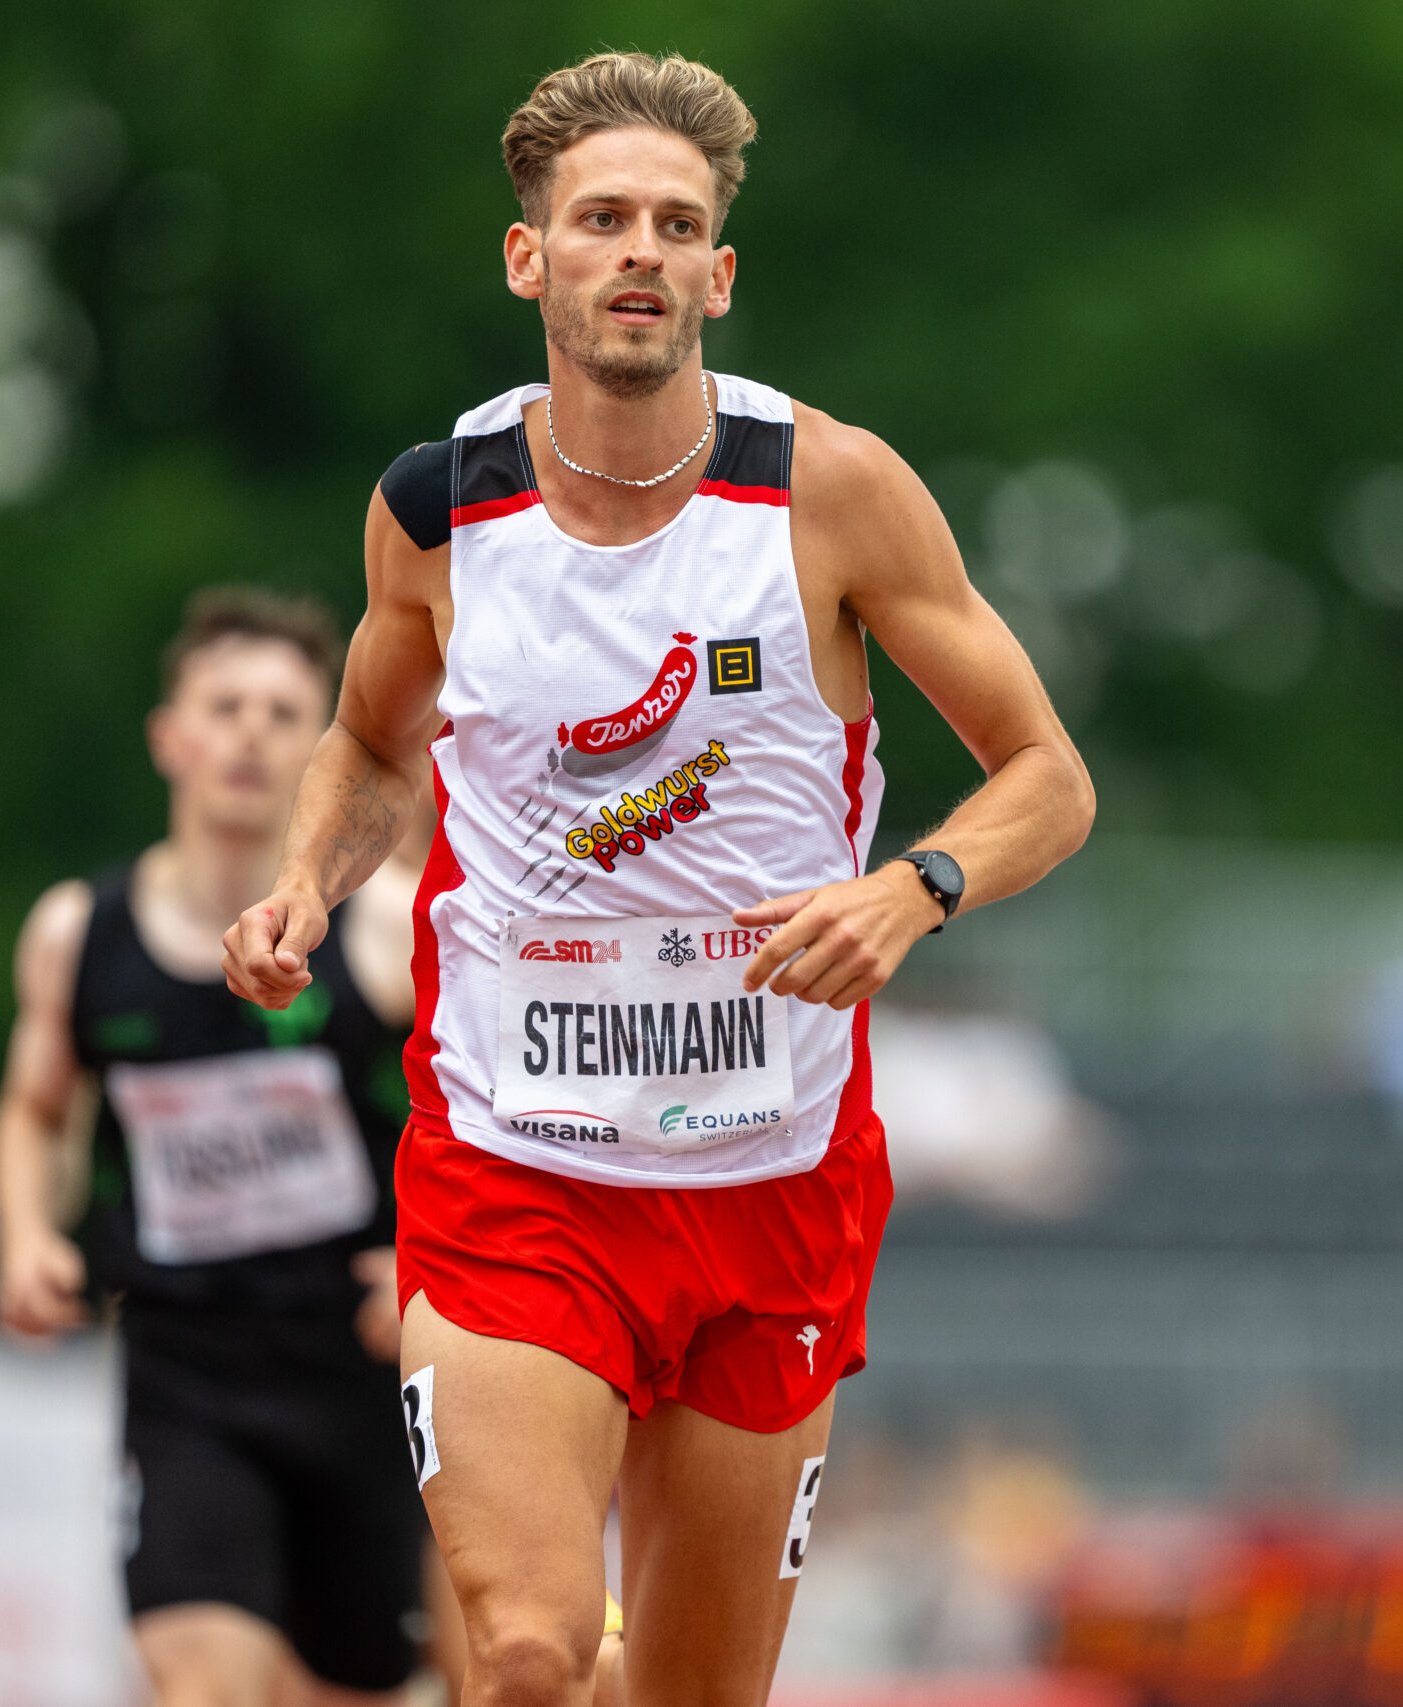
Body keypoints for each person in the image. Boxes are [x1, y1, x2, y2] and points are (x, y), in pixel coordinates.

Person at [222, 51, 1094, 1707]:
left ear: (720, 274)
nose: (640, 249)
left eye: (675, 225)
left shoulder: (829, 491)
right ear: (527, 257)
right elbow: (368, 743)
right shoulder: (435, 512)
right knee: (533, 1650)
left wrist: (911, 887)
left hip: (773, 1180)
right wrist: (300, 887)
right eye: (603, 218)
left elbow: (1051, 778)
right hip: (516, 1171)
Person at [0, 587, 430, 1707]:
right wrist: (26, 1233)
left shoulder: (387, 931)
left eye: (285, 713)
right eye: (224, 706)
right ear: (169, 737)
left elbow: (484, 1115)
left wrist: (432, 1263)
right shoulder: (77, 935)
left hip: (357, 1363)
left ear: (324, 749)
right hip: (186, 1370)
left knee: (357, 1688)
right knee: (206, 1684)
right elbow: (35, 1109)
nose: (249, 733)